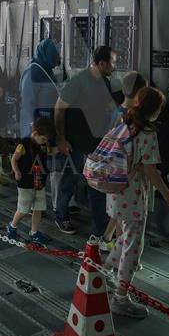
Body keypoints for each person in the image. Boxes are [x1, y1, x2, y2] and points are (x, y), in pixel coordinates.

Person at [102, 86, 169, 318]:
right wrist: (166, 193)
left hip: (114, 191)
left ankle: (102, 273)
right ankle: (120, 298)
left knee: (125, 238)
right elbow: (150, 170)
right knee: (134, 247)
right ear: (154, 110)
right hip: (132, 196)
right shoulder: (147, 133)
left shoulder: (124, 123)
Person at [53, 46, 118, 236]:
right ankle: (61, 215)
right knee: (70, 180)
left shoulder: (105, 82)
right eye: (113, 62)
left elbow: (109, 107)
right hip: (76, 143)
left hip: (97, 145)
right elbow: (59, 109)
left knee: (97, 186)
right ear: (102, 63)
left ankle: (100, 228)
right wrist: (61, 138)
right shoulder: (78, 81)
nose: (115, 66)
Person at [101, 71, 150, 251]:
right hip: (125, 173)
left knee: (118, 211)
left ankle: (109, 240)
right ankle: (120, 250)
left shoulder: (117, 111)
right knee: (123, 214)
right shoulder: (129, 116)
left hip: (115, 170)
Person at [19, 38, 62, 211]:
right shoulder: (32, 71)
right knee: (33, 166)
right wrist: (34, 130)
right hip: (35, 130)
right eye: (56, 54)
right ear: (48, 54)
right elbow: (27, 103)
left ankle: (45, 203)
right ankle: (30, 205)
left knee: (46, 165)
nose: (58, 57)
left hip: (47, 128)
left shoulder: (48, 71)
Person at [7, 117, 53, 245]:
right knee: (23, 209)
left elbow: (48, 152)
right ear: (35, 133)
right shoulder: (23, 144)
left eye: (46, 140)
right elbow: (14, 159)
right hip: (25, 182)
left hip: (39, 180)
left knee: (38, 208)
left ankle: (34, 232)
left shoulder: (43, 144)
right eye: (43, 139)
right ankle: (12, 226)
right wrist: (16, 171)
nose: (45, 142)